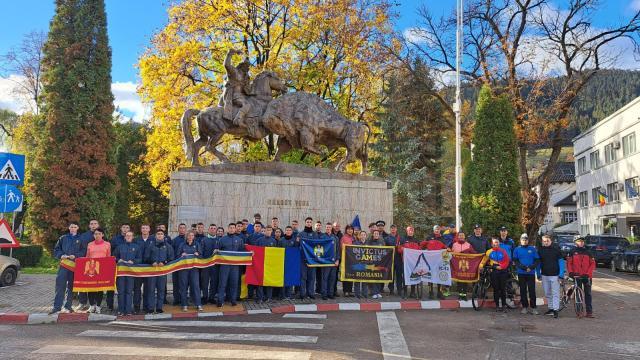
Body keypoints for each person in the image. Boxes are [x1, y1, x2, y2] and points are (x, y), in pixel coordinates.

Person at [50, 222, 83, 314]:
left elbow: (84, 251)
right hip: (64, 265)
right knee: (60, 286)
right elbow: (56, 250)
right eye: (71, 227)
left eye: (75, 227)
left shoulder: (81, 239)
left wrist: (76, 256)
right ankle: (57, 307)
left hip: (75, 266)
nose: (73, 228)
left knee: (71, 287)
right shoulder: (63, 238)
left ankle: (68, 306)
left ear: (77, 228)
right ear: (69, 228)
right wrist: (61, 255)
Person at [145, 229, 174, 314]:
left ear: (164, 236)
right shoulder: (150, 246)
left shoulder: (168, 246)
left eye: (161, 234)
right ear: (155, 236)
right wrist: (151, 262)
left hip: (162, 272)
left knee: (161, 290)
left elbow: (171, 258)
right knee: (151, 290)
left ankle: (159, 308)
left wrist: (164, 262)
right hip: (152, 272)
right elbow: (146, 257)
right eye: (158, 234)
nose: (160, 235)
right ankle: (150, 308)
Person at [114, 231, 141, 316]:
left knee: (129, 292)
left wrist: (133, 261)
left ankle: (128, 310)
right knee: (121, 291)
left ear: (133, 237)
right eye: (127, 236)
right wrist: (118, 260)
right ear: (125, 237)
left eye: (130, 236)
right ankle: (121, 310)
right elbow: (114, 257)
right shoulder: (119, 247)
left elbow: (140, 258)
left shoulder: (136, 247)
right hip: (121, 274)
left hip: (131, 274)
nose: (128, 237)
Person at [567, 237, 596, 318]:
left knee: (588, 294)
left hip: (587, 276)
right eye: (579, 241)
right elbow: (569, 263)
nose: (581, 243)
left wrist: (588, 274)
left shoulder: (588, 252)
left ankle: (589, 312)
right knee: (578, 294)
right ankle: (579, 311)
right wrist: (571, 272)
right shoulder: (572, 252)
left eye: (582, 241)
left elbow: (592, 264)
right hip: (576, 275)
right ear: (575, 242)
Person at [217, 223, 244, 307]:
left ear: (235, 229)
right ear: (228, 229)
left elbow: (242, 252)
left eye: (233, 228)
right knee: (222, 283)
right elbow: (217, 251)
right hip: (224, 266)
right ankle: (220, 301)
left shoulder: (239, 240)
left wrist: (250, 254)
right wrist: (216, 251)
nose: (232, 229)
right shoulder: (222, 239)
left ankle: (233, 300)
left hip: (235, 266)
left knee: (234, 283)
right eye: (230, 228)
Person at [512, 233, 540, 315]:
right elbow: (515, 261)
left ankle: (534, 307)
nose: (524, 241)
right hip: (521, 273)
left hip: (531, 273)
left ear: (528, 240)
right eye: (523, 240)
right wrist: (524, 268)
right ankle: (524, 307)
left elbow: (537, 260)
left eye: (526, 240)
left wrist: (531, 267)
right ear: (520, 240)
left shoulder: (532, 249)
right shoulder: (517, 249)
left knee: (532, 291)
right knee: (523, 291)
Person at [480, 237, 510, 312]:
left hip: (503, 271)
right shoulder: (489, 252)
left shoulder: (503, 251)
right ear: (491, 244)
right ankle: (497, 306)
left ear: (499, 243)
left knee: (503, 289)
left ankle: (503, 306)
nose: (495, 244)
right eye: (494, 243)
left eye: (496, 242)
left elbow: (507, 260)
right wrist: (481, 266)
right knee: (496, 289)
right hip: (494, 272)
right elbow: (484, 260)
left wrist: (501, 266)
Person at [85, 228, 111, 314]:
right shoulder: (90, 244)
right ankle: (92, 305)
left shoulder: (107, 244)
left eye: (99, 233)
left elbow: (108, 257)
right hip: (91, 269)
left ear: (102, 235)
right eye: (96, 234)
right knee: (91, 287)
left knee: (100, 288)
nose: (97, 235)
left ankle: (98, 306)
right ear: (93, 235)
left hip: (102, 269)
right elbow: (87, 257)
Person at [76, 219, 99, 311]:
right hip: (84, 262)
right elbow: (79, 248)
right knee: (82, 284)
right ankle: (82, 302)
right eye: (91, 224)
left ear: (98, 225)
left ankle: (93, 304)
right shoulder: (84, 236)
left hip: (97, 264)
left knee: (93, 285)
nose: (93, 225)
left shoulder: (102, 235)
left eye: (95, 223)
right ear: (89, 226)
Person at [538, 234, 563, 318]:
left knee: (555, 293)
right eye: (544, 241)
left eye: (547, 241)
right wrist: (538, 273)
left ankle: (556, 310)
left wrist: (561, 274)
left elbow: (561, 262)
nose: (546, 242)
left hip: (555, 275)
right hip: (544, 275)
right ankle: (551, 308)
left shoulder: (556, 249)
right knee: (547, 293)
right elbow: (539, 263)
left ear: (550, 241)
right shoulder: (540, 250)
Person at [178, 231, 204, 312]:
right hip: (184, 269)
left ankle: (198, 304)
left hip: (194, 269)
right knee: (183, 287)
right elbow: (177, 255)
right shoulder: (182, 245)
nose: (190, 236)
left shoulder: (197, 244)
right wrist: (181, 255)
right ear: (186, 236)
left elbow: (201, 256)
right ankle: (184, 305)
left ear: (194, 236)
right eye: (189, 235)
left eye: (192, 235)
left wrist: (198, 254)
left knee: (196, 286)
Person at [421, 227, 448, 300]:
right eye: (436, 229)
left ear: (440, 231)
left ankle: (439, 292)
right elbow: (423, 246)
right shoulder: (429, 237)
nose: (437, 231)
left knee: (439, 276)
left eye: (438, 229)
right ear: (433, 230)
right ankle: (431, 292)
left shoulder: (443, 238)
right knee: (431, 275)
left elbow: (445, 247)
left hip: (439, 260)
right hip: (430, 260)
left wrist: (448, 249)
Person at [133, 224, 153, 314]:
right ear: (141, 230)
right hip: (138, 268)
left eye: (146, 228)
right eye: (143, 228)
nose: (145, 229)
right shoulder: (136, 240)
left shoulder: (153, 239)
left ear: (149, 229)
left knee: (148, 289)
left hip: (149, 268)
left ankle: (146, 307)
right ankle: (136, 307)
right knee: (137, 288)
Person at [256, 226, 278, 303]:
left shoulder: (274, 241)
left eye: (269, 230)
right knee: (260, 281)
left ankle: (269, 297)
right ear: (264, 231)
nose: (268, 231)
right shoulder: (259, 240)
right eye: (267, 230)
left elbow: (276, 253)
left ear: (271, 231)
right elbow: (256, 252)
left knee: (269, 281)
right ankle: (260, 298)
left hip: (270, 264)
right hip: (261, 264)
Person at [200, 224, 220, 305]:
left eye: (214, 228)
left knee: (214, 281)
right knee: (205, 281)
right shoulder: (204, 240)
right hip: (206, 265)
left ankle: (211, 297)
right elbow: (200, 251)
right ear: (208, 230)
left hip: (215, 265)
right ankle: (205, 297)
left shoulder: (219, 240)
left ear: (216, 230)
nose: (213, 230)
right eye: (211, 228)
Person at [451, 232, 474, 300]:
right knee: (459, 280)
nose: (461, 236)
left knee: (465, 280)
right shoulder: (454, 245)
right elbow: (452, 254)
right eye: (460, 235)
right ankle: (460, 294)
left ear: (464, 237)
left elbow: (473, 253)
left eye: (462, 235)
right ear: (458, 237)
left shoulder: (468, 244)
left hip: (466, 265)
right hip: (457, 265)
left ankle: (464, 294)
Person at [298, 217, 317, 300]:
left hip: (312, 259)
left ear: (311, 223)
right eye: (307, 222)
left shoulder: (315, 234)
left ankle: (311, 293)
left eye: (310, 222)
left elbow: (317, 246)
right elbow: (298, 246)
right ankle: (302, 293)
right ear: (305, 223)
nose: (309, 223)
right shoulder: (301, 234)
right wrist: (297, 241)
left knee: (312, 277)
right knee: (303, 277)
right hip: (303, 259)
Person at [400, 226, 422, 299]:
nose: (411, 232)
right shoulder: (403, 239)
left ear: (413, 231)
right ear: (407, 231)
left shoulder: (416, 240)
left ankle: (412, 292)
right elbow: (398, 249)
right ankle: (405, 292)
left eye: (412, 230)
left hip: (414, 263)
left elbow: (419, 250)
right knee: (405, 277)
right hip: (405, 262)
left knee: (414, 276)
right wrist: (402, 249)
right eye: (409, 230)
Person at [320, 223, 339, 300]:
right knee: (325, 278)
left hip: (333, 261)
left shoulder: (335, 238)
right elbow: (319, 249)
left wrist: (337, 259)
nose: (328, 228)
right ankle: (324, 294)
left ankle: (330, 294)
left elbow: (338, 250)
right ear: (325, 228)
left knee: (332, 278)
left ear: (331, 228)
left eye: (329, 227)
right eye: (327, 227)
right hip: (325, 261)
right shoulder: (322, 237)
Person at [278, 226, 298, 299]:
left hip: (291, 263)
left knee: (290, 279)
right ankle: (282, 295)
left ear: (292, 231)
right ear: (285, 231)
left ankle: (288, 295)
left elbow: (296, 251)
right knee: (283, 279)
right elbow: (278, 251)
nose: (288, 231)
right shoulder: (281, 240)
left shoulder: (295, 240)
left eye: (290, 230)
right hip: (282, 262)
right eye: (287, 230)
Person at [171, 223, 187, 305]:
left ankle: (184, 299)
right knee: (176, 282)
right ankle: (176, 299)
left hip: (186, 266)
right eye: (180, 228)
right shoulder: (174, 240)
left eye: (184, 228)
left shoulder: (189, 239)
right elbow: (172, 253)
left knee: (184, 283)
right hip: (176, 265)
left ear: (186, 229)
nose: (182, 229)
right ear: (178, 229)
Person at [366, 229, 385, 299]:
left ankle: (378, 292)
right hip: (371, 263)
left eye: (377, 233)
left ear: (379, 235)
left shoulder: (381, 242)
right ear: (373, 234)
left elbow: (384, 251)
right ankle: (373, 292)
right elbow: (366, 251)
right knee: (372, 278)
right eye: (375, 233)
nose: (376, 234)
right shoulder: (369, 242)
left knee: (378, 277)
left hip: (379, 263)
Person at [340, 225, 355, 297]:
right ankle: (345, 291)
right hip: (345, 259)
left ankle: (350, 290)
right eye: (348, 229)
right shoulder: (343, 238)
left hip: (352, 260)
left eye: (351, 229)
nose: (350, 230)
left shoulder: (354, 238)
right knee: (345, 275)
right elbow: (341, 248)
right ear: (346, 230)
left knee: (351, 275)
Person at [353, 231, 368, 299]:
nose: (362, 236)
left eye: (364, 235)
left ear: (366, 236)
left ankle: (365, 293)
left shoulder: (368, 244)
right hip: (358, 263)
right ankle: (357, 294)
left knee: (365, 279)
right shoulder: (356, 243)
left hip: (366, 263)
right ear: (359, 236)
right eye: (361, 235)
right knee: (357, 279)